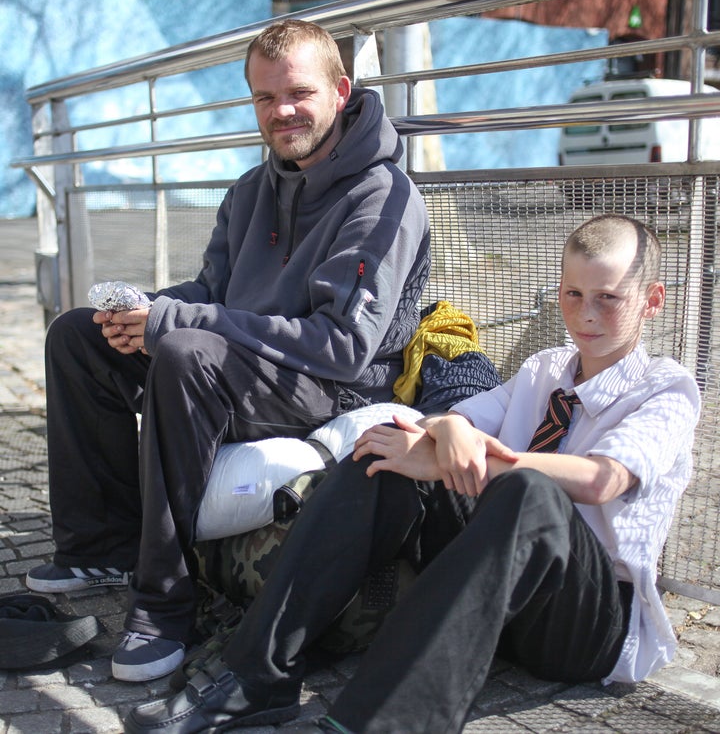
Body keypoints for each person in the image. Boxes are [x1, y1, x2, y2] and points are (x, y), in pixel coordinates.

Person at [122, 214, 701, 734]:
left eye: (609, 297)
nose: (587, 314)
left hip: (585, 621)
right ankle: (256, 675)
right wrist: (445, 430)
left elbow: (603, 480)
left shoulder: (666, 388)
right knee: (383, 452)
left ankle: (377, 725)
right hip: (500, 595)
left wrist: (488, 456)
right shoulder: (542, 367)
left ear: (652, 300)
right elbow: (458, 418)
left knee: (528, 490)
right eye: (573, 294)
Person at [25, 19, 431, 683]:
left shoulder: (383, 197)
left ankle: (164, 604)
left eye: (298, 93)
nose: (282, 112)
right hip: (247, 366)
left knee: (184, 352)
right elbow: (212, 291)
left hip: (332, 384)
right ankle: (102, 543)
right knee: (80, 336)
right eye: (265, 99)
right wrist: (143, 310)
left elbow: (343, 346)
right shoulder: (250, 191)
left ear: (341, 90)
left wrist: (174, 322)